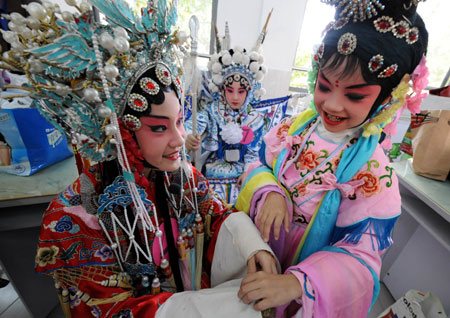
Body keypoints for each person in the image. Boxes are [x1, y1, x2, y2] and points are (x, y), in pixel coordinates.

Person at [0, 1, 278, 317]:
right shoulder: (78, 215)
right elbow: (105, 309)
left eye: (180, 121)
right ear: (121, 131)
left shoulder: (183, 175)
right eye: (159, 127)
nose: (178, 138)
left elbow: (212, 212)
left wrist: (249, 242)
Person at [235, 0, 429, 317]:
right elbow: (256, 163)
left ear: (386, 98)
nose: (333, 105)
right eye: (325, 86)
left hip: (304, 281)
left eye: (355, 95)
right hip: (260, 250)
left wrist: (298, 284)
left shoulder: (373, 171)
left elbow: (361, 259)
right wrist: (269, 191)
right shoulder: (294, 127)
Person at [184, 22, 272, 205]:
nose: (234, 97)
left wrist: (248, 172)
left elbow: (254, 152)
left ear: (249, 92)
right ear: (222, 89)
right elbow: (193, 125)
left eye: (241, 92)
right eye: (230, 90)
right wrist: (188, 137)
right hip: (214, 171)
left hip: (242, 173)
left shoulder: (254, 119)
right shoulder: (212, 111)